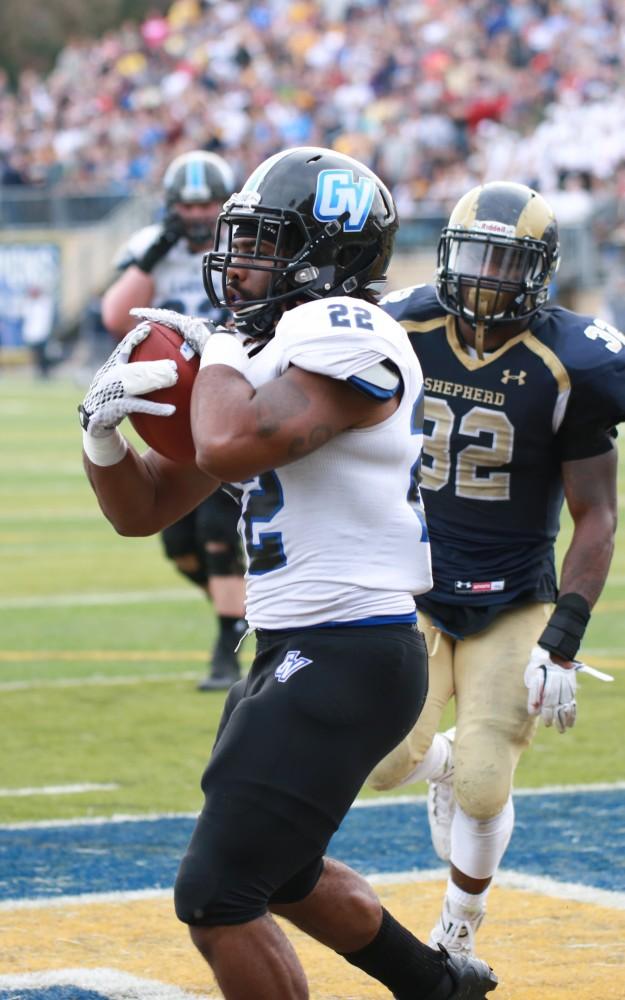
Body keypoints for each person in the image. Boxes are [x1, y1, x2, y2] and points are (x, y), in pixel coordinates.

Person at [78, 146, 498, 999]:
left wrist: (224, 349)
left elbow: (230, 442)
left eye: (266, 242)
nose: (239, 262)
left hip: (352, 646)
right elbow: (143, 509)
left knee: (216, 895)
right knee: (284, 871)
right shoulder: (272, 349)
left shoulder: (350, 328)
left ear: (327, 255)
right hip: (293, 644)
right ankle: (433, 984)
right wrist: (102, 435)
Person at [370, 180, 624, 959]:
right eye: (473, 254)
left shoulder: (572, 358)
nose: (484, 276)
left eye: (504, 261)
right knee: (382, 762)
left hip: (513, 589)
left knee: (488, 783)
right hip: (410, 575)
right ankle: (439, 764)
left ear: (540, 272)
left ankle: (456, 930)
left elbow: (596, 513)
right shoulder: (403, 323)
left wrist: (566, 636)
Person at [101, 149, 246, 690]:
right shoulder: (150, 250)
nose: (196, 213)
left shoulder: (244, 245)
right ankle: (243, 614)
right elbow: (116, 315)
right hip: (170, 401)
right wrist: (154, 257)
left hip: (230, 390)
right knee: (178, 545)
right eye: (187, 204)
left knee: (217, 531)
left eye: (207, 202)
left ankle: (226, 651)